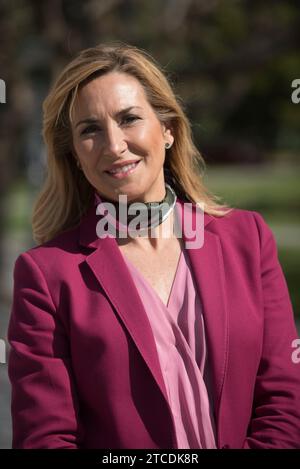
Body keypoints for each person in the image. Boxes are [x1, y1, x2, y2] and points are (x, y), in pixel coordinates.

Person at [8, 43, 300, 449]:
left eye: (129, 119)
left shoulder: (248, 240)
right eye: (89, 129)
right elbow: (46, 438)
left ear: (168, 129)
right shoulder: (47, 276)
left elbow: (284, 403)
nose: (113, 145)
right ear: (74, 154)